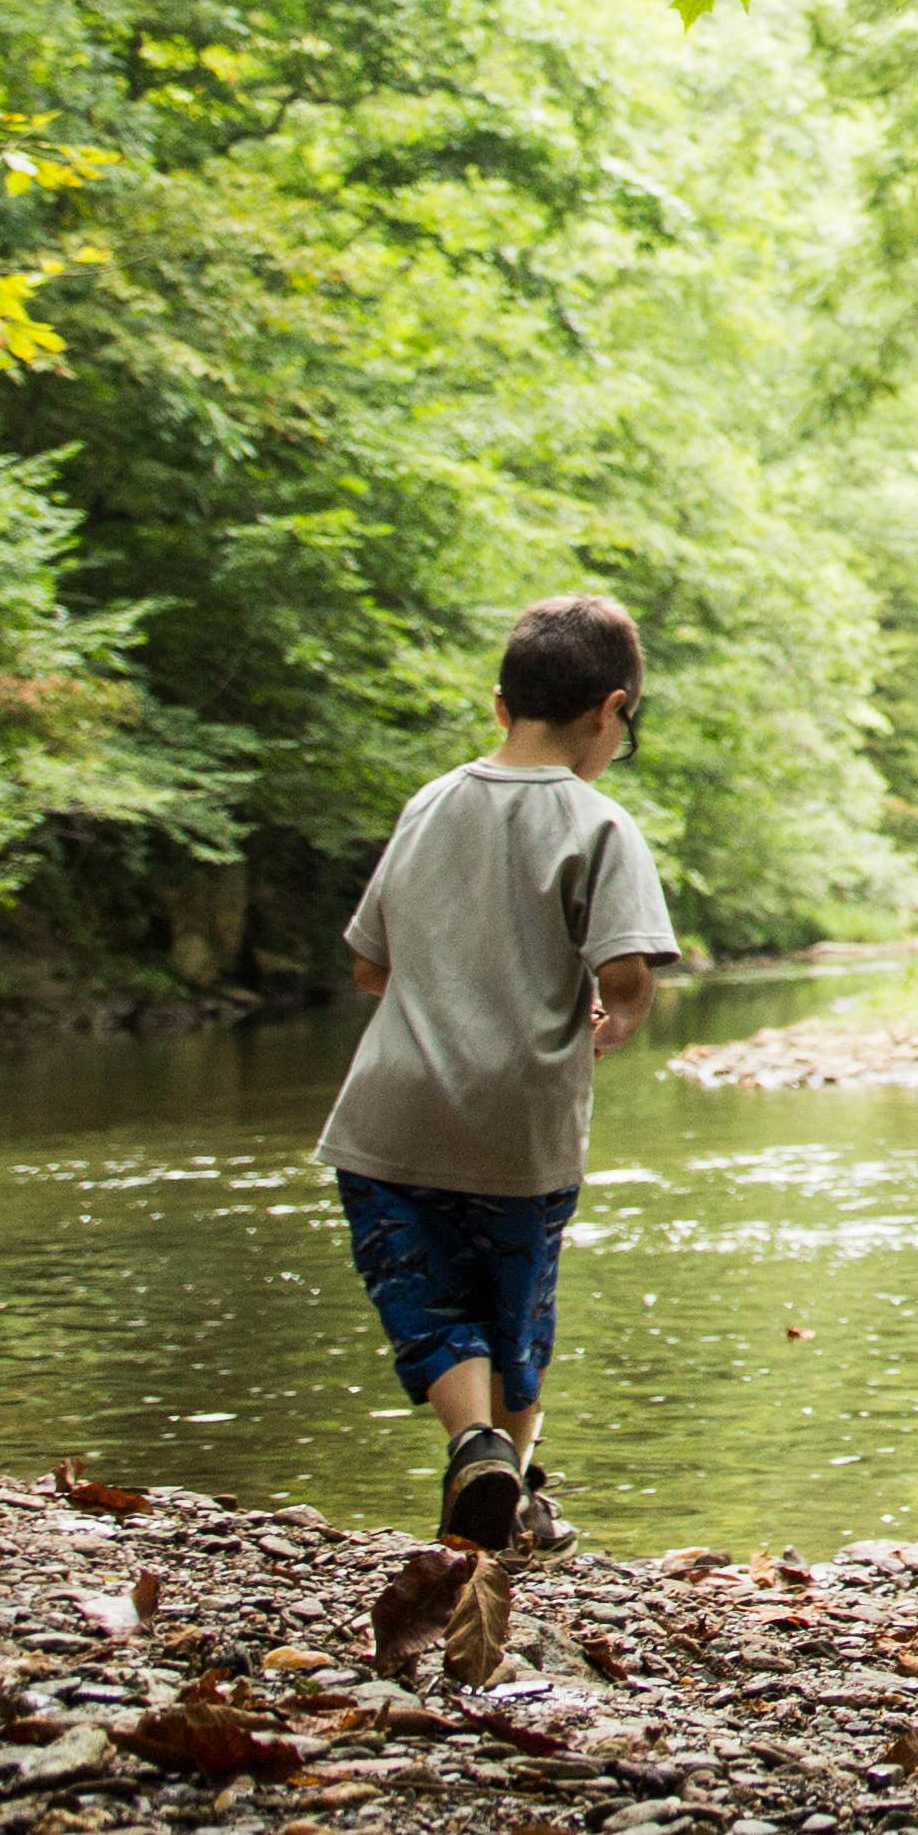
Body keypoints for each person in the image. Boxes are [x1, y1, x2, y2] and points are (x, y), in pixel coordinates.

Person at [316, 594, 679, 1552]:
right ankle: (510, 1482)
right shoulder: (599, 825)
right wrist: (611, 1025)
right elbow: (627, 975)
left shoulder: (428, 804)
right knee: (516, 1311)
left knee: (425, 1299)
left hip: (390, 1119)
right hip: (522, 1126)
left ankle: (479, 1451)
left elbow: (368, 963)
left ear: (497, 703)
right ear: (611, 710)